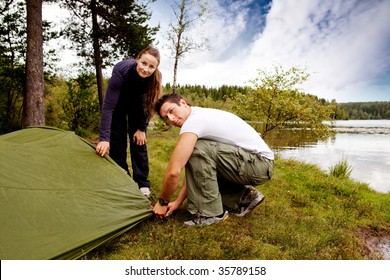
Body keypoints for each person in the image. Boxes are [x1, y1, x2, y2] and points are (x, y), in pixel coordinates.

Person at [153, 93, 274, 227]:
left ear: (183, 103)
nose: (171, 118)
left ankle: (210, 214)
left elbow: (174, 171)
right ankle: (243, 198)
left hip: (258, 164)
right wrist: (177, 202)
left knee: (197, 149)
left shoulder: (194, 121)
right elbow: (196, 171)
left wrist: (162, 202)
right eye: (166, 117)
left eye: (171, 111)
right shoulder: (199, 116)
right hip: (257, 164)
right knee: (199, 151)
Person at [96, 46, 162, 197]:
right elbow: (107, 108)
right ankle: (122, 178)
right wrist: (104, 139)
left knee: (139, 140)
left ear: (156, 68)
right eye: (144, 63)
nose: (146, 69)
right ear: (137, 59)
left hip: (138, 105)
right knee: (117, 139)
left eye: (151, 66)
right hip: (119, 102)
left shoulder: (154, 79)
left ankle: (142, 184)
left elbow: (150, 106)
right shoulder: (121, 70)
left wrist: (142, 129)